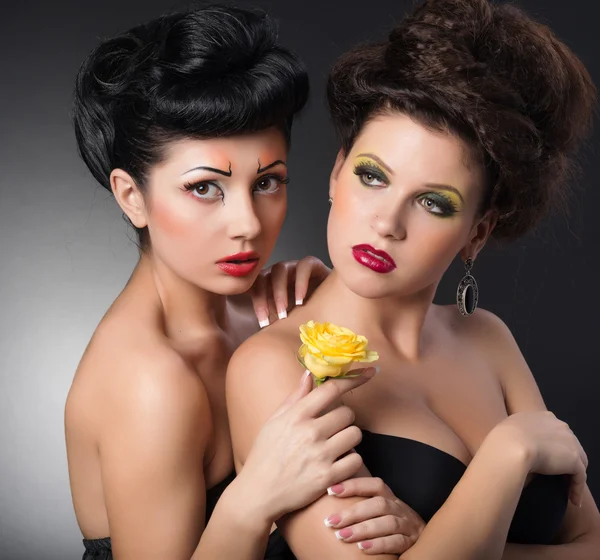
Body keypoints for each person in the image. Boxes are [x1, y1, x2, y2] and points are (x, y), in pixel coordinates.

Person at [227, 0, 600, 558]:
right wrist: (507, 455)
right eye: (372, 176)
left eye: (432, 202)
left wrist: (431, 541)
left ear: (478, 232)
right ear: (336, 172)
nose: (386, 222)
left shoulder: (488, 339)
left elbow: (592, 541)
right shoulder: (275, 366)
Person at [64, 6, 424, 560]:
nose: (249, 225)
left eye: (267, 182)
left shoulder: (262, 311)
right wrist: (252, 501)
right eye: (205, 188)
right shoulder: (151, 382)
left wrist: (327, 294)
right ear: (131, 195)